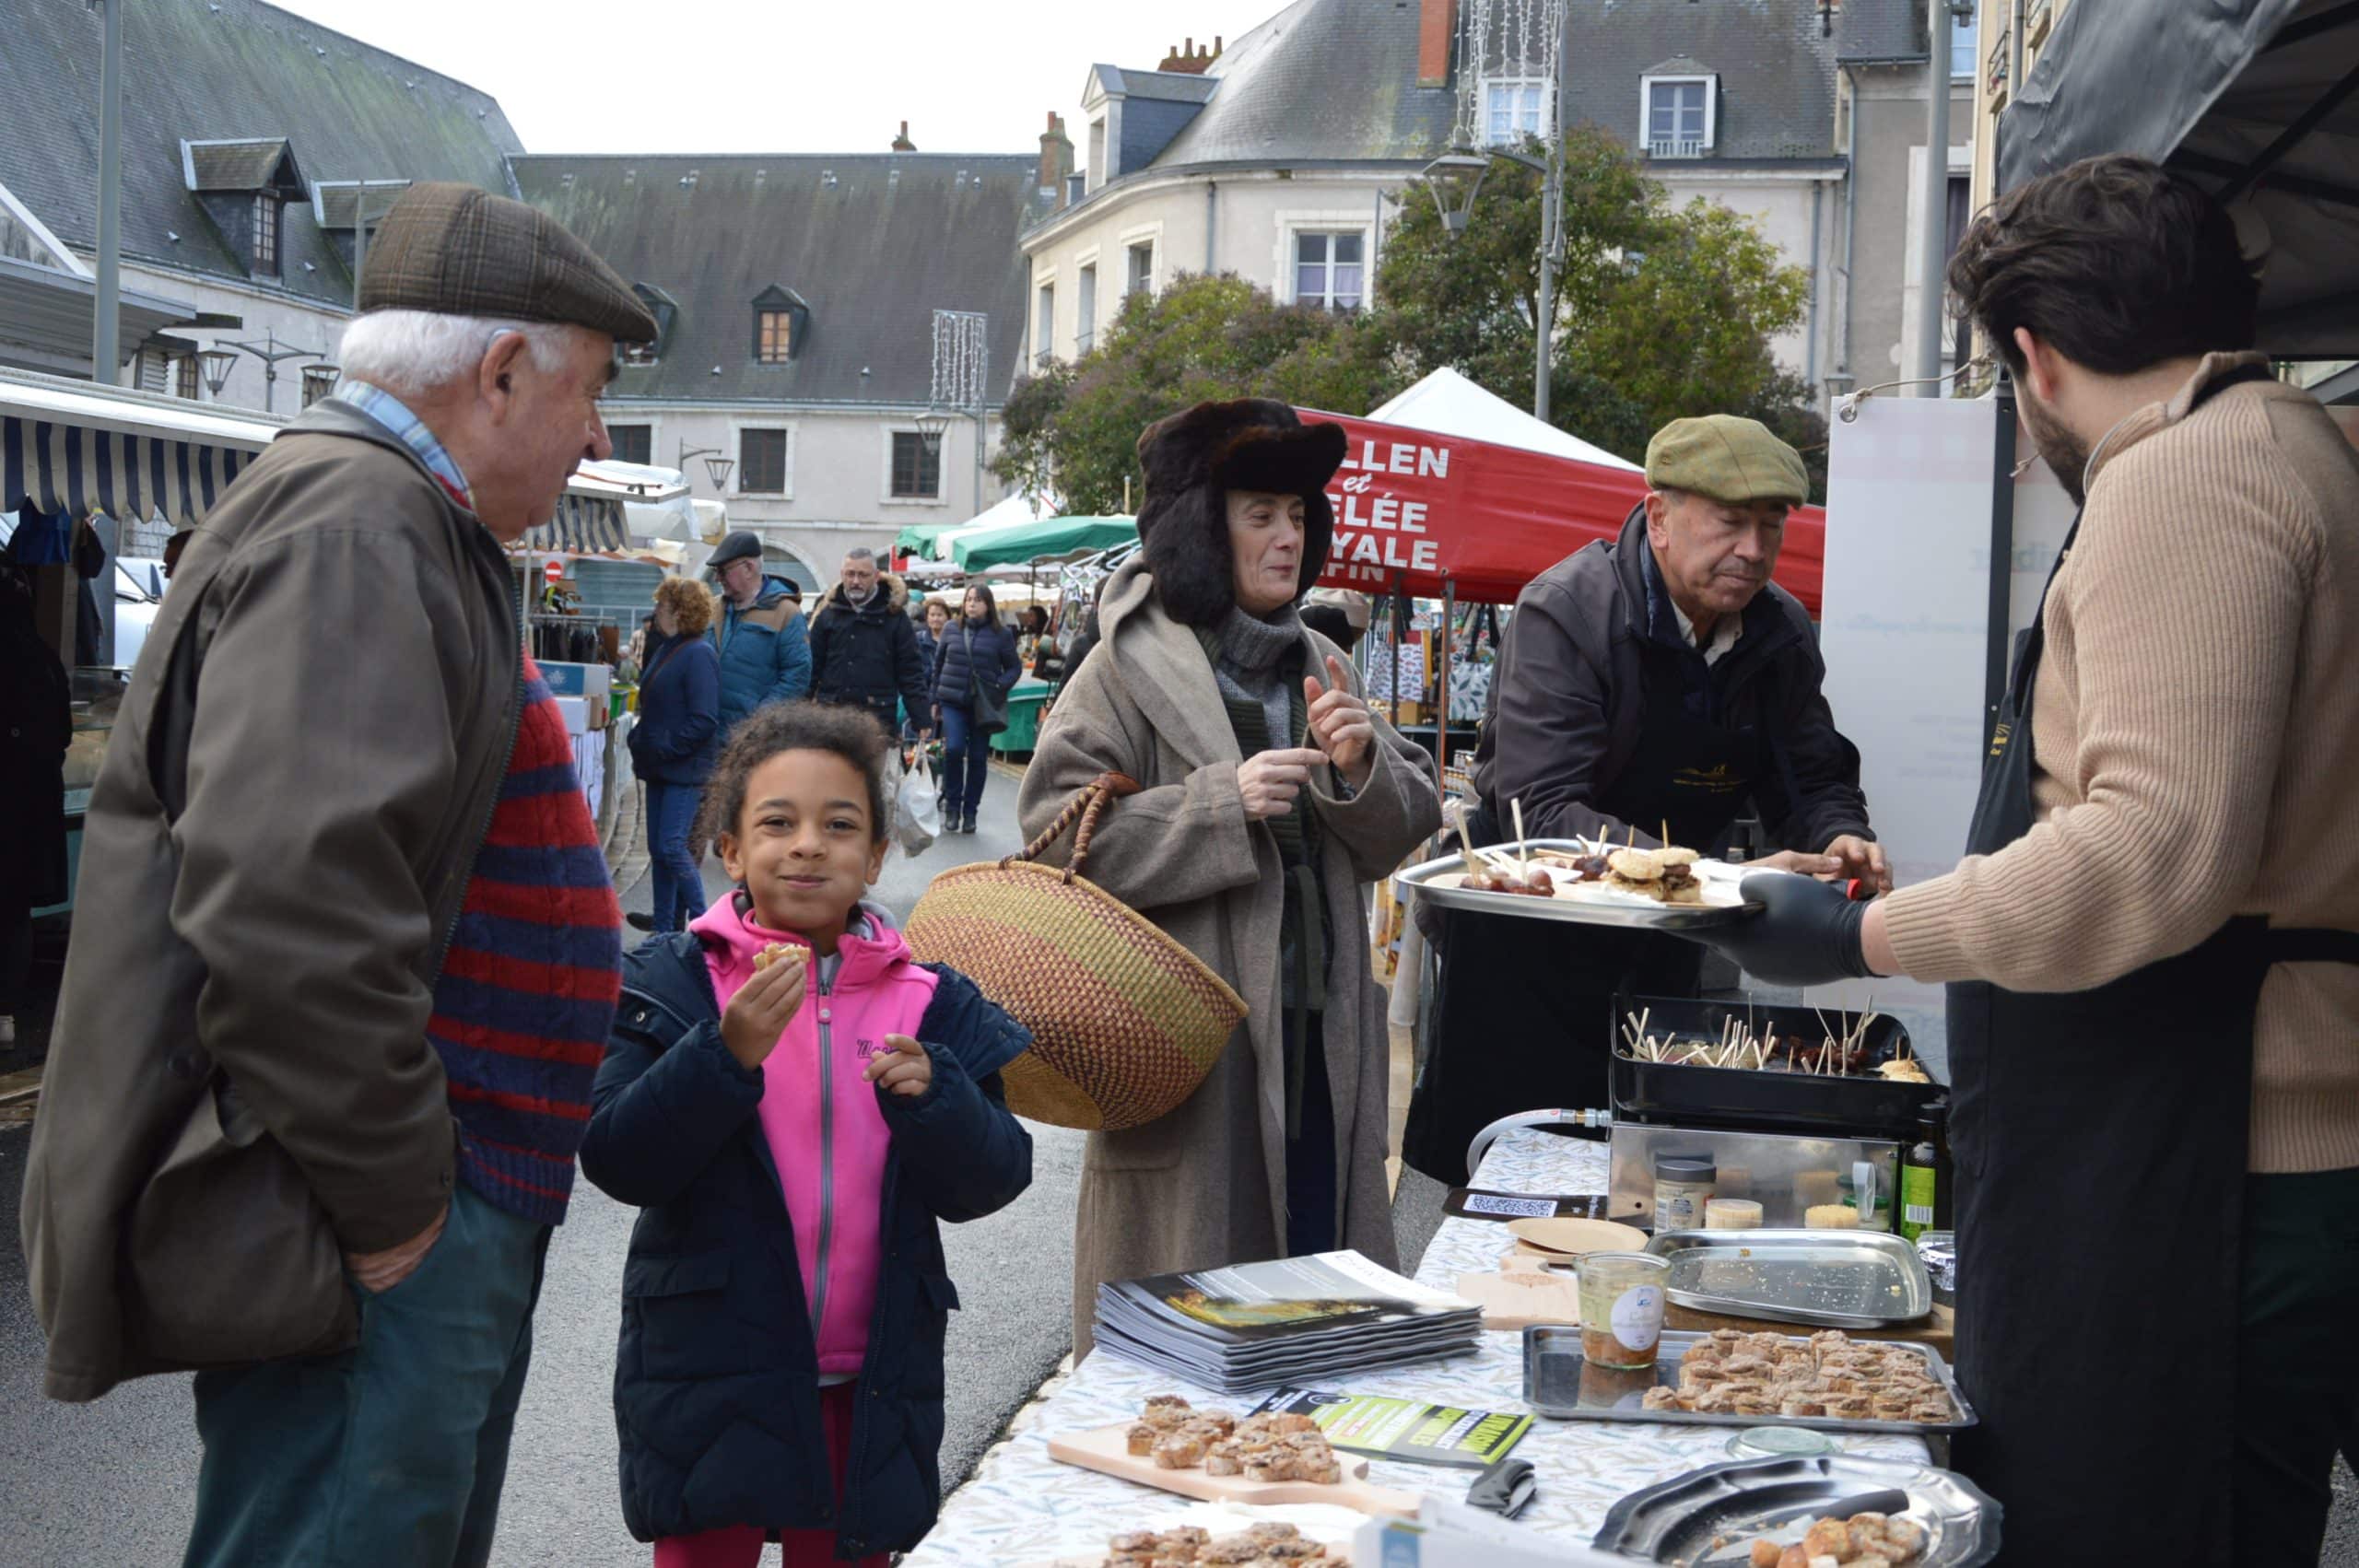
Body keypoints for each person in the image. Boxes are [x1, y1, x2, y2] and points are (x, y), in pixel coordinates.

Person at [1694, 156, 2359, 1565]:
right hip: (2235, 1137)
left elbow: (2156, 851)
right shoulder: (2301, 445)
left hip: (2211, 1165)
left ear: (2036, 361)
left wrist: (1858, 937)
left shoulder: (2193, 474)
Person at [19, 182, 658, 1568]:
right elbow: (292, 915)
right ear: (499, 374)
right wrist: (400, 1211)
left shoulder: (388, 521)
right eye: (591, 389)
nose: (600, 434)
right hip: (381, 1210)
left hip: (412, 1192)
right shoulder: (361, 528)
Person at [1019, 398, 1442, 1353]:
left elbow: (1399, 830)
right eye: (1261, 514)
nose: (1288, 537)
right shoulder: (1118, 668)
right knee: (1183, 1342)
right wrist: (1219, 802)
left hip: (1319, 1042)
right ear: (1204, 527)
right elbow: (1054, 839)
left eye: (1297, 515)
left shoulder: (1323, 659)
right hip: (1190, 1058)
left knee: (1306, 1318)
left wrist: (1360, 767)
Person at [580, 701, 1033, 1566]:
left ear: (875, 855)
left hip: (875, 1377)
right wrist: (723, 1056)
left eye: (840, 825)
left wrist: (939, 1100)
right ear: (731, 851)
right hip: (710, 1370)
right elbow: (617, 1158)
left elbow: (994, 1178)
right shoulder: (669, 984)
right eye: (777, 823)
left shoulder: (932, 1003)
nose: (808, 845)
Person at [1401, 414, 1884, 1185]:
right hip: (1528, 941)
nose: (1754, 551)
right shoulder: (1567, 610)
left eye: (1771, 527)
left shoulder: (1780, 633)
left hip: (1664, 946)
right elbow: (1546, 809)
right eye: (1730, 523)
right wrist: (1716, 879)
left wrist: (1840, 836)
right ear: (1658, 516)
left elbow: (1812, 773)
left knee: (1638, 1172)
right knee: (1500, 1176)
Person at [627, 577, 722, 935]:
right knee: (660, 849)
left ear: (679, 612)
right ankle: (665, 931)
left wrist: (667, 746)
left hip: (683, 769)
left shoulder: (698, 653)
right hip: (662, 767)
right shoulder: (673, 647)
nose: (656, 612)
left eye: (662, 607)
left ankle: (705, 926)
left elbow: (705, 718)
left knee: (670, 846)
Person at [0, 563, 69, 1049]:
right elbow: (61, 734)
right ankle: (3, 1016)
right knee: (13, 911)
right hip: (30, 806)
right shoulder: (43, 657)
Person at [807, 547, 930, 745]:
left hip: (877, 717)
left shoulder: (895, 617)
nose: (856, 581)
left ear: (875, 576)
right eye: (850, 574)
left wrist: (921, 717)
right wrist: (798, 711)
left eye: (863, 575)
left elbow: (910, 671)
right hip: (832, 716)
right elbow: (811, 668)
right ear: (842, 575)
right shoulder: (827, 614)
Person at [930, 582, 1021, 836]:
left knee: (979, 758)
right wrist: (933, 700)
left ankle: (970, 812)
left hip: (983, 705)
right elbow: (937, 667)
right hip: (952, 700)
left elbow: (1014, 667)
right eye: (969, 599)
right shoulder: (951, 628)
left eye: (977, 600)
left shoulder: (1001, 634)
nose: (972, 603)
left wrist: (999, 685)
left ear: (987, 604)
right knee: (954, 749)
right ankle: (952, 808)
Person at [706, 530, 811, 732]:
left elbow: (797, 675)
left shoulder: (786, 612)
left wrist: (760, 720)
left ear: (748, 568)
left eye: (723, 570)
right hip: (707, 734)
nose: (717, 578)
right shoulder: (712, 608)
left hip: (752, 738)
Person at [909, 597, 950, 743]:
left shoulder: (953, 639)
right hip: (924, 695)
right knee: (924, 739)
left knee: (946, 742)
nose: (936, 619)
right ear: (927, 617)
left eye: (939, 615)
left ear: (947, 617)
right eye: (932, 615)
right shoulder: (918, 639)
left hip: (947, 696)